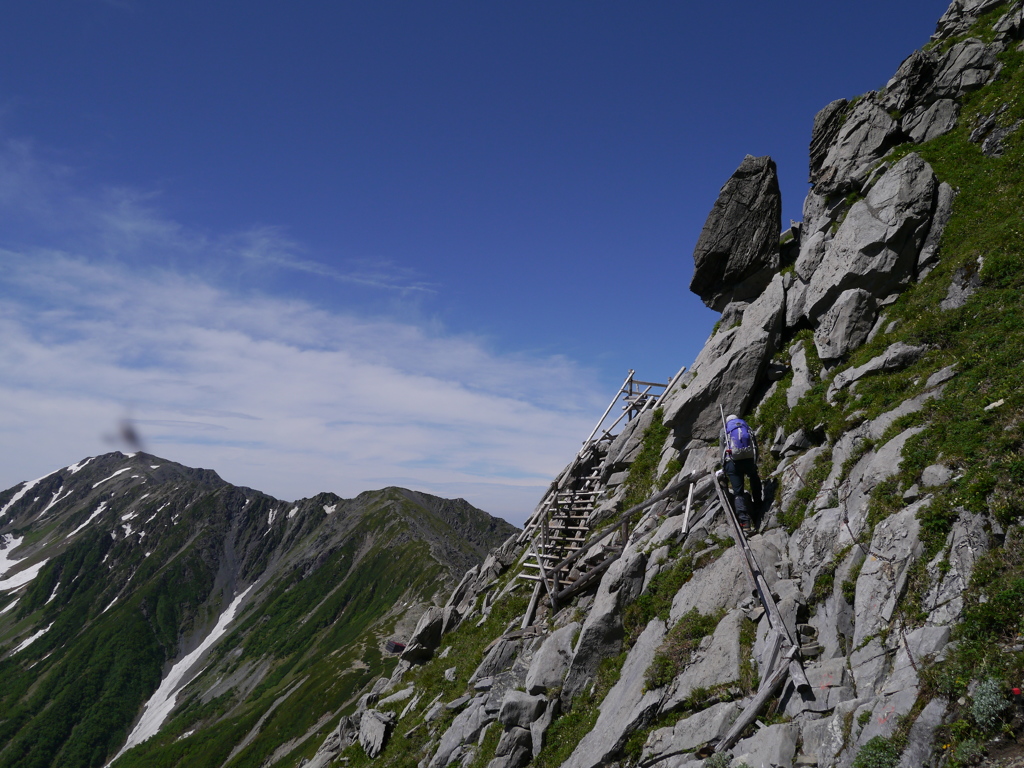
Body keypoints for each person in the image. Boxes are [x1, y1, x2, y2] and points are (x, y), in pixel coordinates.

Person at [720, 413, 763, 525]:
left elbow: (722, 450)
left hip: (732, 463)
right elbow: (754, 446)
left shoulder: (724, 430)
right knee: (754, 479)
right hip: (748, 460)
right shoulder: (746, 427)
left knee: (738, 492)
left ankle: (745, 522)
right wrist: (754, 461)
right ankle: (759, 506)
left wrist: (723, 466)